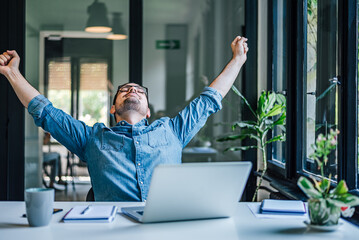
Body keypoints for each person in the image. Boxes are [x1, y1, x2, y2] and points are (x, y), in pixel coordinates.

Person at [0, 36, 249, 201]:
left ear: (148, 110)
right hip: (111, 231)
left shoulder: (173, 131)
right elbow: (46, 112)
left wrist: (238, 60)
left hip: (166, 230)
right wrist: (12, 73)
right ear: (113, 108)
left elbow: (208, 100)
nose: (133, 91)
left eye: (139, 91)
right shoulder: (92, 138)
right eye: (125, 90)